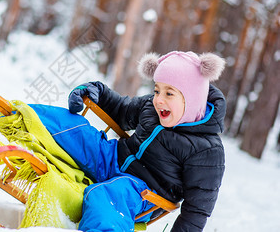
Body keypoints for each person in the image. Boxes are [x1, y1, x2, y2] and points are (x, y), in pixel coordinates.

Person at [59, 51, 226, 231]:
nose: (159, 100)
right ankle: (25, 122)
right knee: (67, 126)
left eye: (169, 94)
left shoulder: (207, 150)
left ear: (192, 99)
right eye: (156, 90)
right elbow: (121, 109)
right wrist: (95, 90)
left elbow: (197, 210)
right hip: (112, 158)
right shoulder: (151, 106)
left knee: (107, 196)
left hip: (143, 192)